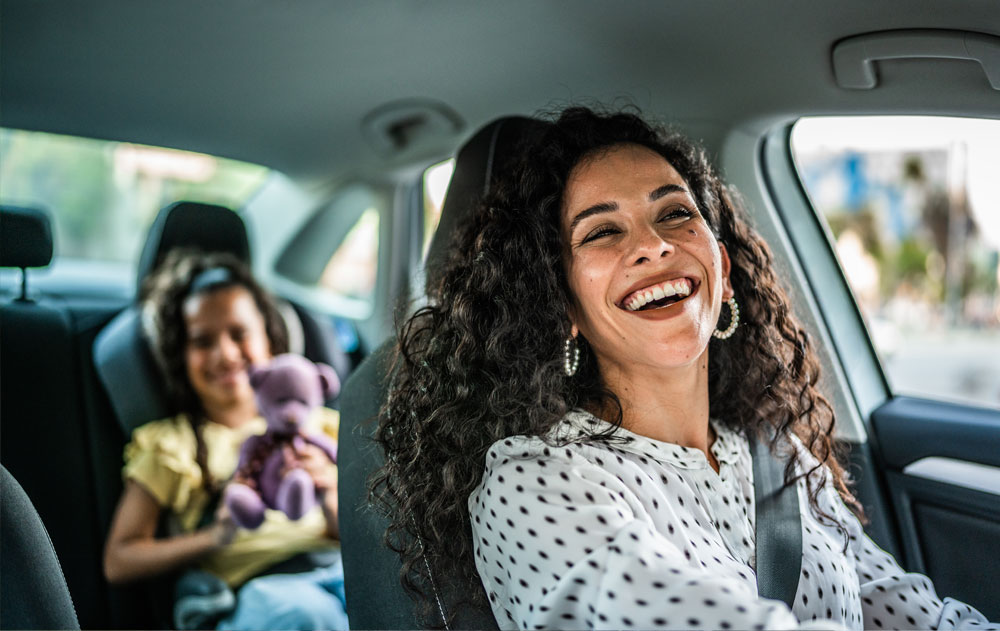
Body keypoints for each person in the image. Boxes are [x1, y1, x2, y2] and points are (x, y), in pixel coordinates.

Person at [371, 107, 996, 630]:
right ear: (562, 307)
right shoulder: (534, 484)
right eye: (601, 233)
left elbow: (914, 613)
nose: (652, 244)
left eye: (674, 214)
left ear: (722, 268)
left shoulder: (781, 458)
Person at [103, 250, 348, 630]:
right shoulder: (173, 445)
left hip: (337, 572)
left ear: (270, 337)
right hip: (256, 594)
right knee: (309, 616)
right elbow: (119, 559)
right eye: (203, 341)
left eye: (239, 334)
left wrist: (329, 490)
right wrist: (213, 537)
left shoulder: (322, 427)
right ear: (179, 356)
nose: (225, 354)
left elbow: (354, 537)